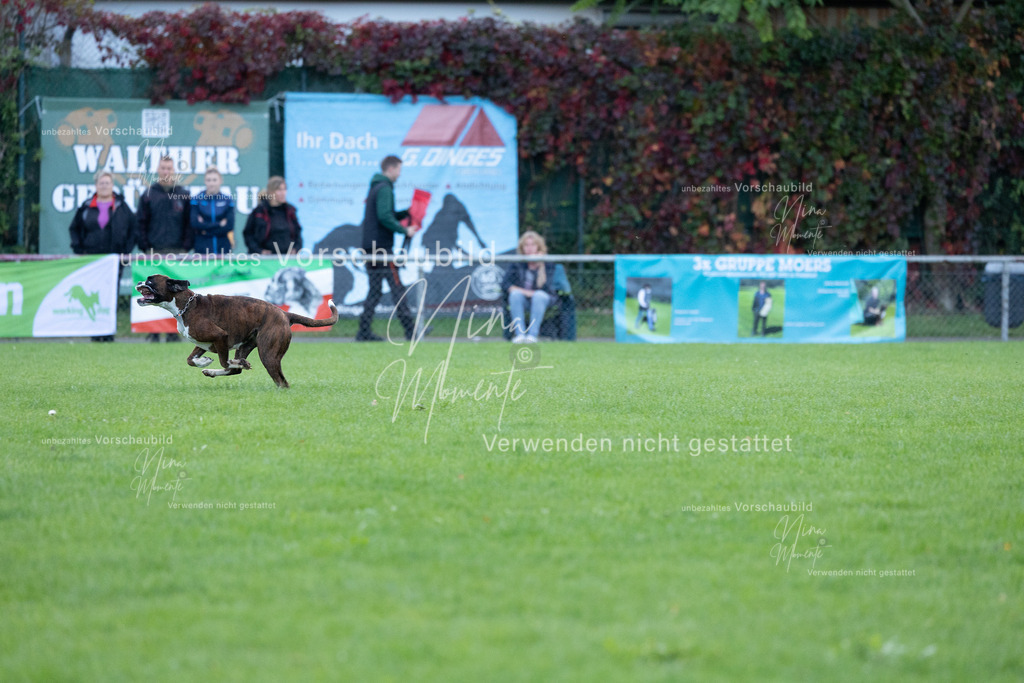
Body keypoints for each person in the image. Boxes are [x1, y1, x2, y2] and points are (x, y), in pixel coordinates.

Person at [68, 170, 137, 342]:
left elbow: (133, 230)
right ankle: (95, 331)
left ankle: (108, 332)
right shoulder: (85, 206)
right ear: (96, 185)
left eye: (107, 183)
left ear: (112, 185)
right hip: (92, 259)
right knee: (92, 294)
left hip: (114, 260)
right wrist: (79, 250)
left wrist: (125, 253)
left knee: (110, 295)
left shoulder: (122, 206)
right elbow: (74, 229)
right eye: (101, 183)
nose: (104, 186)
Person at [357, 155, 419, 342]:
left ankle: (364, 331)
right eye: (399, 170)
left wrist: (406, 213)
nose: (400, 174)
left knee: (374, 291)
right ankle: (411, 331)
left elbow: (386, 215)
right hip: (382, 249)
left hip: (370, 247)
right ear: (390, 169)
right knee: (397, 287)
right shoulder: (385, 188)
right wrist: (404, 229)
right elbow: (384, 216)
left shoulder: (376, 187)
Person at [137, 155, 191, 341]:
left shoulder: (183, 194)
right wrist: (145, 247)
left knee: (175, 294)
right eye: (163, 168)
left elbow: (189, 224)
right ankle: (154, 331)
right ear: (158, 171)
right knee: (154, 292)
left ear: (174, 171)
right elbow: (141, 223)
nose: (166, 172)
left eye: (169, 168)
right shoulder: (149, 194)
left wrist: (185, 247)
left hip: (178, 252)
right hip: (155, 251)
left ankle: (173, 332)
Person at [502, 230, 558, 344]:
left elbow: (547, 289)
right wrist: (526, 292)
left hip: (542, 300)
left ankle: (532, 335)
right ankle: (520, 335)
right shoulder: (516, 263)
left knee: (538, 296)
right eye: (526, 245)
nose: (529, 248)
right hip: (523, 298)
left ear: (539, 247)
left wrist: (541, 266)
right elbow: (506, 284)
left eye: (533, 245)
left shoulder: (548, 264)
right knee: (515, 295)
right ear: (522, 248)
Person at [243, 176, 302, 256]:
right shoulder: (259, 212)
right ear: (271, 192)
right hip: (265, 260)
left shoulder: (290, 211)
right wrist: (259, 251)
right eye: (279, 190)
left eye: (284, 189)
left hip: (287, 258)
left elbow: (298, 234)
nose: (283, 193)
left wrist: (296, 249)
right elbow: (248, 234)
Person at [190, 166, 235, 256]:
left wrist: (205, 230)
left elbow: (229, 226)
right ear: (205, 181)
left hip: (223, 248)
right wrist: (219, 224)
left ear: (220, 181)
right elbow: (195, 224)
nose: (211, 183)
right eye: (209, 180)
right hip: (202, 248)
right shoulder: (197, 200)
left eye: (214, 180)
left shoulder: (227, 200)